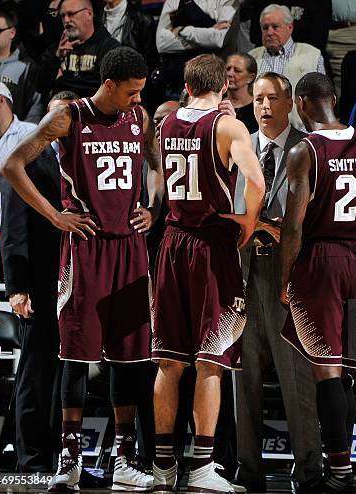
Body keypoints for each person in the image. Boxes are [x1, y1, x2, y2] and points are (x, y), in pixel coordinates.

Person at [2, 46, 163, 493]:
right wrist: (56, 216)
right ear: (108, 85)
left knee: (128, 359)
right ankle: (69, 461)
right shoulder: (68, 117)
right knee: (75, 355)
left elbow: (156, 164)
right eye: (130, 92)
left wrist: (154, 206)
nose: (136, 99)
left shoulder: (140, 117)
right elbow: (13, 164)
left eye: (140, 93)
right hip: (85, 249)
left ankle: (124, 459)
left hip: (130, 249)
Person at [279, 71, 356, 494]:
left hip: (320, 259)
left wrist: (285, 277)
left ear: (302, 104)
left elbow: (293, 228)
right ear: (333, 98)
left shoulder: (304, 151)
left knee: (327, 370)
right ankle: (343, 468)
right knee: (347, 373)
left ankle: (340, 473)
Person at [150, 53, 265, 494]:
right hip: (210, 246)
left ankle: (163, 466)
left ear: (187, 83)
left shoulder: (166, 124)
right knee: (210, 363)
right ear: (227, 84)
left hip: (172, 242)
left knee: (169, 361)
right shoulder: (230, 127)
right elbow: (254, 179)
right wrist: (250, 221)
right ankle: (201, 465)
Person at [231, 71, 321, 493]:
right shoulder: (238, 146)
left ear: (290, 103)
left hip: (289, 275)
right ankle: (248, 471)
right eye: (258, 99)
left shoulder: (308, 148)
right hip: (244, 273)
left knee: (296, 379)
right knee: (242, 376)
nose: (264, 106)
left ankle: (309, 471)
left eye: (272, 98)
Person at [0, 90, 78, 473]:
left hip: (78, 284)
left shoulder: (84, 162)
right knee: (36, 370)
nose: (57, 122)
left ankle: (64, 457)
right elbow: (13, 229)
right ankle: (31, 456)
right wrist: (17, 286)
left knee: (68, 372)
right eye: (52, 116)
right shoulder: (29, 161)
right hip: (41, 284)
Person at [249, 4, 326, 130]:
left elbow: (322, 99)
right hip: (258, 132)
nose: (269, 32)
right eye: (265, 28)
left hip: (301, 133)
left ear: (290, 27)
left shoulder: (312, 55)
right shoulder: (251, 57)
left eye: (275, 27)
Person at [155, 0, 238, 99]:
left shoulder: (227, 2)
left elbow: (218, 39)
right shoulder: (174, 2)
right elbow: (162, 43)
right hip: (176, 80)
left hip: (212, 81)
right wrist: (209, 32)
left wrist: (182, 30)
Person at [37, 0, 120, 97]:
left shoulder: (109, 48)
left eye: (71, 14)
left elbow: (102, 88)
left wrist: (60, 81)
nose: (66, 20)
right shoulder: (58, 47)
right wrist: (56, 58)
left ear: (89, 14)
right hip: (58, 110)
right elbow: (41, 86)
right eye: (63, 16)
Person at [0, 81, 36, 232]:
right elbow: (17, 174)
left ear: (2, 100)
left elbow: (33, 177)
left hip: (21, 227)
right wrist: (13, 169)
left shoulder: (30, 132)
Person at [0, 7, 44, 123]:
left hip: (17, 136)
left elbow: (35, 106)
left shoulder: (28, 66)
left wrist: (26, 135)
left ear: (12, 32)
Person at [226, 52, 258, 133]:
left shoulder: (257, 108)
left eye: (237, 71)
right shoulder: (215, 103)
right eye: (228, 69)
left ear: (250, 78)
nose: (229, 74)